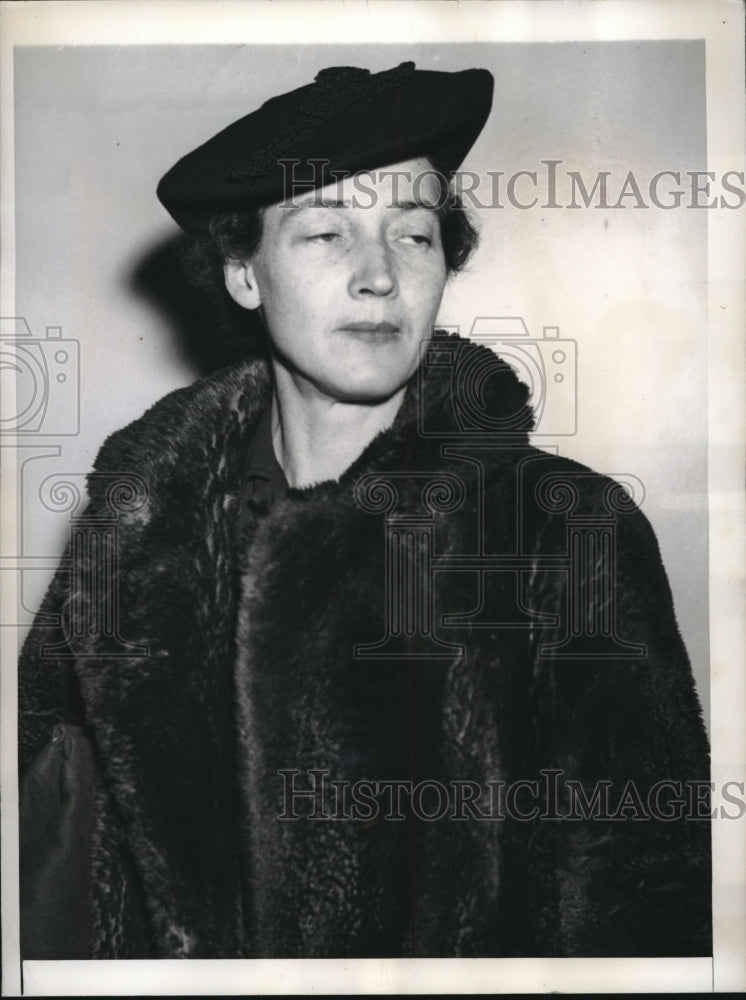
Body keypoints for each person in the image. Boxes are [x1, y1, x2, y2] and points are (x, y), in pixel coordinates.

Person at [18, 61, 711, 960]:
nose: (378, 275)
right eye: (325, 234)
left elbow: (644, 904)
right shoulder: (137, 521)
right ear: (243, 275)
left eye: (414, 235)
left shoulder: (565, 531)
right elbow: (44, 852)